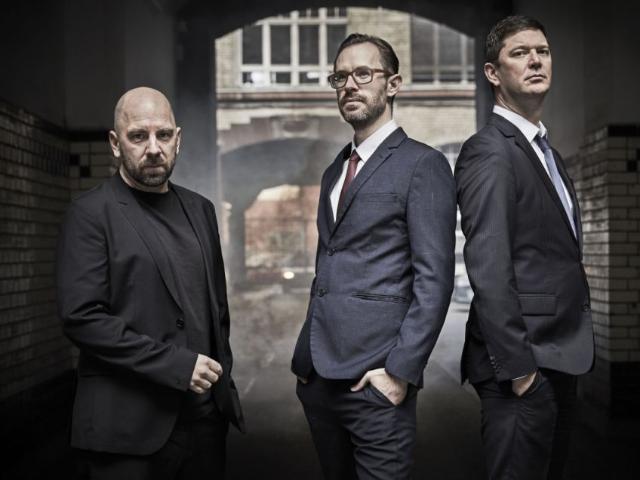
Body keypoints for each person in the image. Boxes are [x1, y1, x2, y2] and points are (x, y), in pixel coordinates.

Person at [291, 33, 456, 479]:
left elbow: (434, 279)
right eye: (340, 77)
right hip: (317, 379)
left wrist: (400, 372)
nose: (349, 85)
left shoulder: (423, 165)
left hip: (376, 381)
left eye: (363, 74)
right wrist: (305, 363)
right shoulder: (334, 170)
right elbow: (328, 265)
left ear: (393, 84)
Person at [56, 87, 244, 479]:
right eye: (138, 136)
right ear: (115, 143)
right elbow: (82, 318)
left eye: (164, 135)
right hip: (126, 432)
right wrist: (177, 365)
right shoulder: (90, 214)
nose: (154, 148)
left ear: (178, 139)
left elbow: (216, 310)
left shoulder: (201, 210)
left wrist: (222, 391)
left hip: (204, 423)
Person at [455, 15, 594, 480]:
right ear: (493, 73)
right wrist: (520, 373)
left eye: (543, 52)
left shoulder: (543, 150)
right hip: (523, 364)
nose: (536, 60)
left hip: (557, 356)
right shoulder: (490, 150)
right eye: (520, 53)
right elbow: (488, 265)